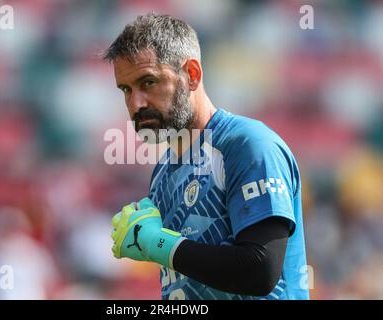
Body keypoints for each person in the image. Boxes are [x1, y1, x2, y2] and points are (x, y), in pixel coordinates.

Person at [103, 13, 309, 300]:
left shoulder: (247, 145)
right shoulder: (163, 172)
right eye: (126, 89)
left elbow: (261, 269)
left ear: (192, 74)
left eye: (148, 82)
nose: (136, 104)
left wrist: (157, 244)